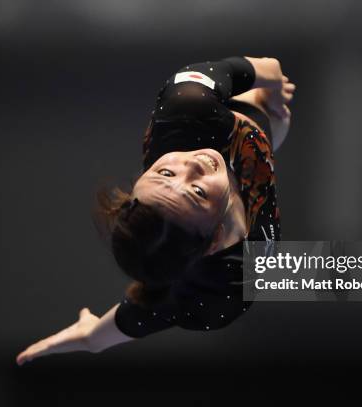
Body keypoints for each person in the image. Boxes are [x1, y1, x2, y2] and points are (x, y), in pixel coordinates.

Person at [16, 56, 295, 365]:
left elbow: (271, 66)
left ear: (138, 185)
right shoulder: (221, 288)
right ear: (214, 238)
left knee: (263, 109)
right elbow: (148, 310)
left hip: (223, 122)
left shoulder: (186, 106)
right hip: (236, 270)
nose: (192, 164)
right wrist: (92, 338)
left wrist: (271, 85)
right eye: (198, 193)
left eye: (165, 174)